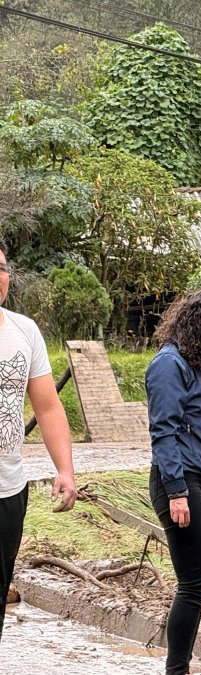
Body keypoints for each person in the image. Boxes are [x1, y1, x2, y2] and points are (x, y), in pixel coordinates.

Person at [145, 289, 201, 675]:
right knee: (193, 582)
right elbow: (163, 431)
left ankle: (179, 666)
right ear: (197, 324)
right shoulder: (169, 364)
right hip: (179, 481)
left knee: (200, 580)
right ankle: (176, 669)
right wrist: (177, 492)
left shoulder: (200, 366)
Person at [0, 239, 77, 642]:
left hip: (8, 489)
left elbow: (47, 407)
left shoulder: (23, 330)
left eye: (1, 267)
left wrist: (64, 469)